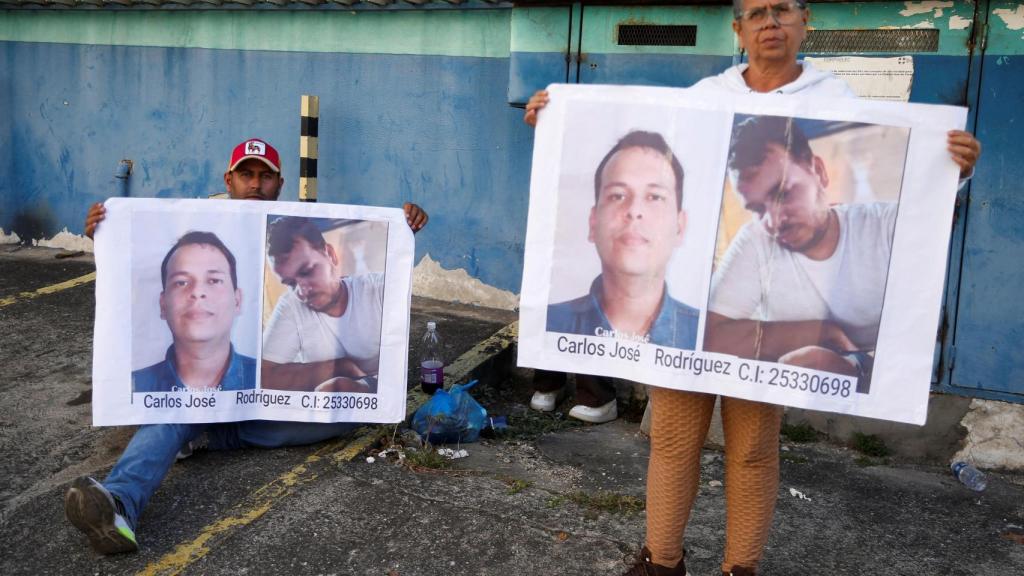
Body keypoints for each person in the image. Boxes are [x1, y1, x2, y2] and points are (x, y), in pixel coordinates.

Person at [524, 1, 981, 574]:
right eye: (756, 12)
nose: (770, 22)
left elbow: (921, 215)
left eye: (782, 9)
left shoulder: (835, 99)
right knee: (672, 441)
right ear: (737, 28)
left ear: (805, 20)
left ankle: (742, 568)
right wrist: (558, 122)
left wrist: (950, 170)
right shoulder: (707, 96)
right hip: (709, 328)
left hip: (770, 358)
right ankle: (661, 562)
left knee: (754, 452)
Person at [67, 137, 428, 554]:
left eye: (265, 176)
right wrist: (106, 235)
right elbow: (144, 265)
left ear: (279, 184)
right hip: (202, 383)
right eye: (245, 175)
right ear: (229, 180)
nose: (255, 184)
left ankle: (208, 435)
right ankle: (118, 504)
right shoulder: (193, 223)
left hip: (252, 401)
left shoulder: (369, 285)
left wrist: (405, 226)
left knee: (342, 412)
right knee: (176, 411)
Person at [705, 115, 894, 393]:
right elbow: (709, 336)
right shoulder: (756, 241)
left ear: (819, 171)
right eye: (757, 209)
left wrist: (857, 367)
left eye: (783, 193)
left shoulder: (888, 226)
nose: (773, 221)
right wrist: (823, 332)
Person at [546, 130, 700, 350]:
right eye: (617, 195)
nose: (634, 210)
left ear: (680, 227)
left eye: (655, 197)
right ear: (593, 223)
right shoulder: (546, 326)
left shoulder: (708, 338)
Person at [260, 216, 384, 393]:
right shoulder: (291, 305)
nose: (302, 291)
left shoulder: (378, 289)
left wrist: (367, 385)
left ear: (331, 255)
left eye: (307, 271)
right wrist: (341, 367)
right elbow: (264, 377)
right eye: (291, 284)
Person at [133, 231, 255, 393]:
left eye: (214, 280)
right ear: (163, 305)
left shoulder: (267, 379)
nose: (197, 292)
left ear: (237, 301)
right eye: (181, 282)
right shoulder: (132, 387)